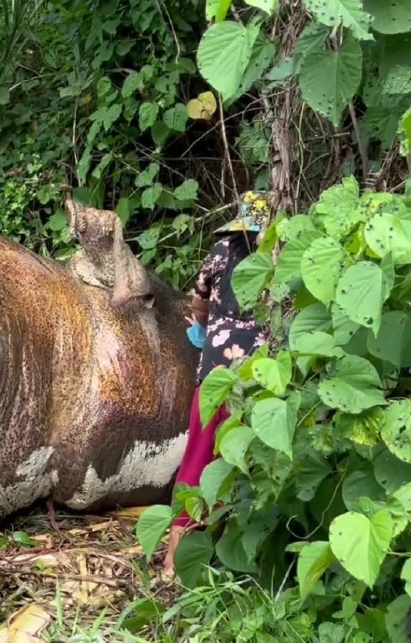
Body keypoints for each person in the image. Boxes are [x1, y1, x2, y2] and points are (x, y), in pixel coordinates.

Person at [163, 191, 273, 577]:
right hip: (260, 376)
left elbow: (200, 305)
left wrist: (203, 330)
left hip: (213, 374)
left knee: (199, 454)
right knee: (246, 458)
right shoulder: (279, 252)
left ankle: (173, 561)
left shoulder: (221, 251)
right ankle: (234, 558)